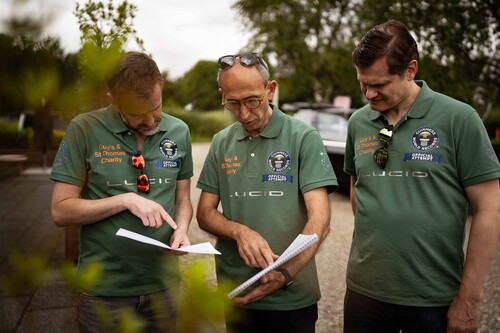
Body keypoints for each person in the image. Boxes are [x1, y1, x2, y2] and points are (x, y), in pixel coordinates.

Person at [343, 20, 500, 333]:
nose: (369, 93)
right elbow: (358, 187)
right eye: (364, 84)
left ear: (410, 69)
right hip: (364, 294)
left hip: (434, 298)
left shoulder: (459, 119)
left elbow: (489, 209)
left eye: (380, 84)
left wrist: (470, 298)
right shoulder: (358, 122)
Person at [50, 51, 193, 332]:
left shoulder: (180, 131)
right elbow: (60, 210)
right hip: (103, 291)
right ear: (112, 101)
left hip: (164, 287)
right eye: (138, 114)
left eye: (157, 107)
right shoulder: (84, 129)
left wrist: (183, 228)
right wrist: (125, 200)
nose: (151, 121)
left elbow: (183, 199)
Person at [196, 52, 338, 333]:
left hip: (291, 298)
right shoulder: (220, 142)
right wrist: (239, 232)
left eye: (252, 100)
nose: (244, 113)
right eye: (233, 103)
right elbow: (204, 213)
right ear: (222, 96)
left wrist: (286, 273)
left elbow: (320, 220)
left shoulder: (303, 137)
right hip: (235, 293)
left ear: (270, 89)